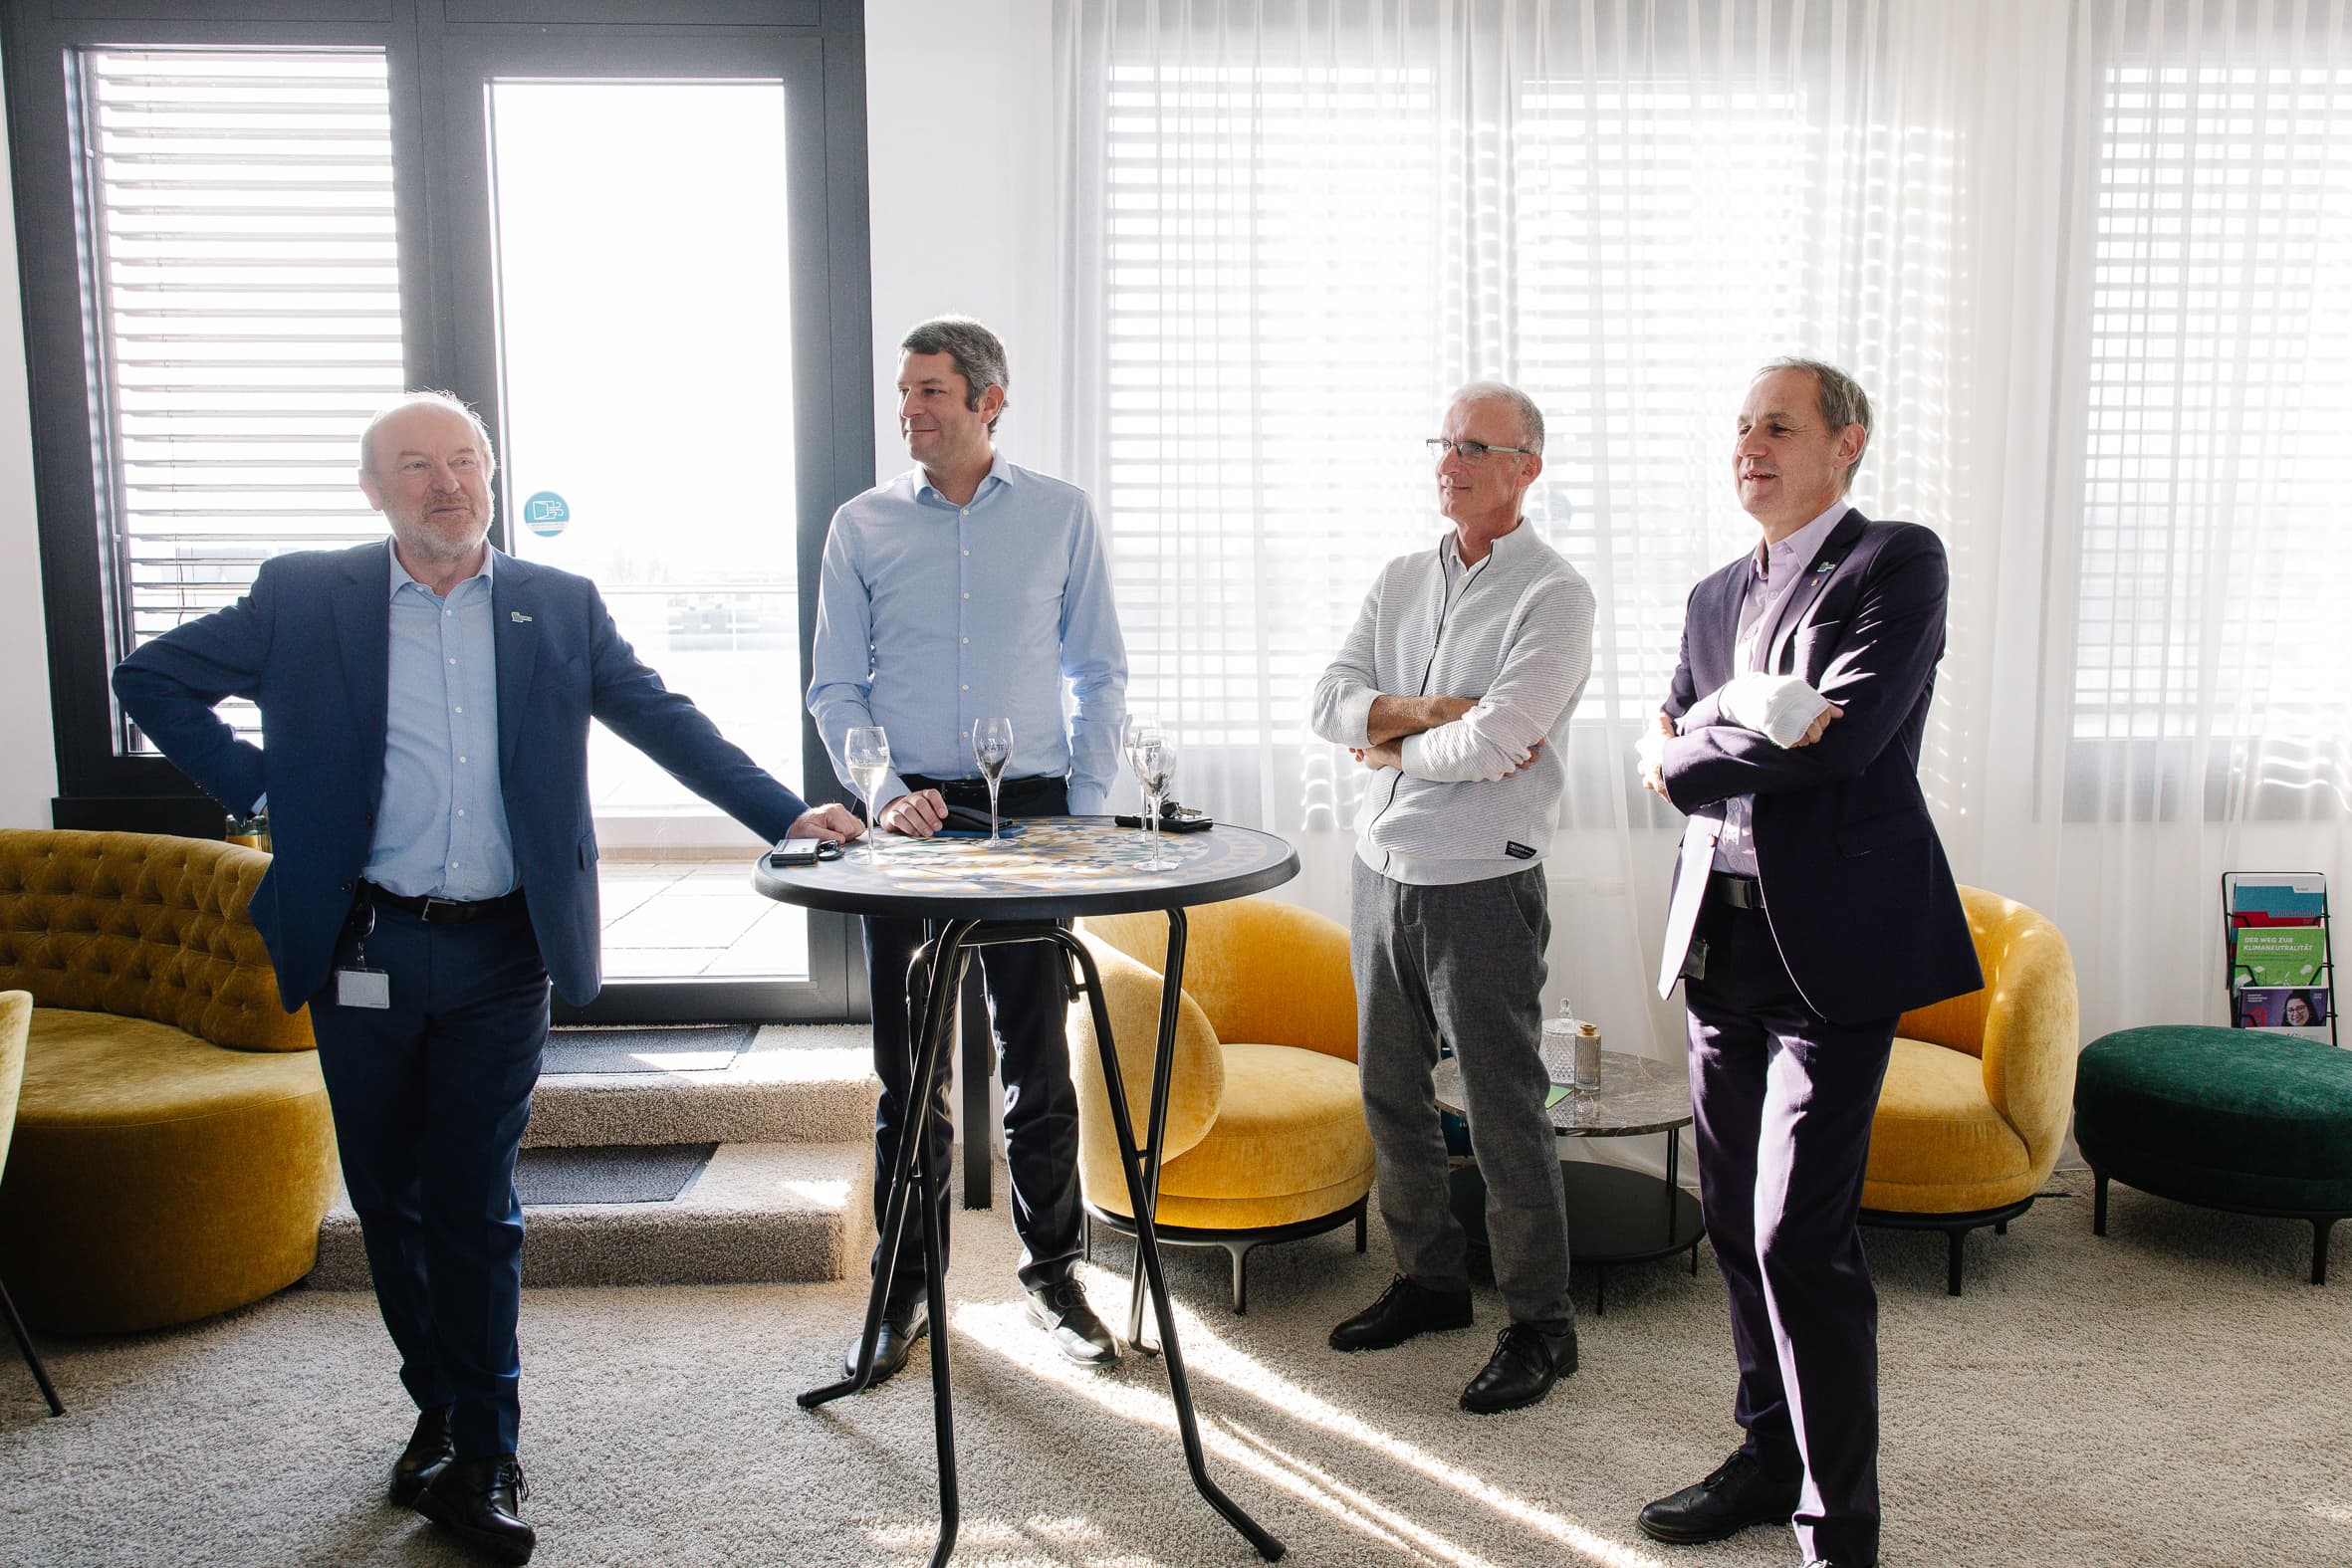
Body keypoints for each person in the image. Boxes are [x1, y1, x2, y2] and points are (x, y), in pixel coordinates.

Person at [113, 391, 860, 1567]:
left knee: (473, 1198)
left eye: (465, 460)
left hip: (502, 950)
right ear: (375, 489)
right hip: (360, 941)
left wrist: (786, 811)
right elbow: (149, 678)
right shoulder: (306, 596)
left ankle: (485, 1447)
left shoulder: (555, 604)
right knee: (388, 1197)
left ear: (492, 477)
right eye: (416, 465)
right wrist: (260, 786)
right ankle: (443, 1407)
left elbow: (666, 721)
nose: (447, 483)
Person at [1635, 358, 1982, 1568]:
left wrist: (1691, 744)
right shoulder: (1710, 593)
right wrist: (1743, 714)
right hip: (1718, 936)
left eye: (1777, 426)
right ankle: (1764, 1456)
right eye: (1741, 426)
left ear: (1846, 444)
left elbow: (1844, 739)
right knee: (1733, 1222)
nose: (1750, 444)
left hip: (1832, 947)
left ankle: (1839, 1529)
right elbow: (1674, 732)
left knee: (1797, 1236)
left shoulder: (1896, 560)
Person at [808, 316, 1128, 1384]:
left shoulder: (1060, 515)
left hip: (1032, 813)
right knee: (909, 1074)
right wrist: (882, 792)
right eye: (905, 390)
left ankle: (1055, 1277)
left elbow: (1098, 672)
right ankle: (904, 1290)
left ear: (990, 401)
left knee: (1037, 1061)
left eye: (931, 391)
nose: (909, 408)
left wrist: (1083, 814)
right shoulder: (859, 525)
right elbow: (834, 687)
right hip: (905, 817)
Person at [1308, 380, 1596, 1414]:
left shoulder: (1554, 595)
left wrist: (1388, 741)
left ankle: (1542, 1326)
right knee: (1391, 1093)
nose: (1450, 461)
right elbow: (1328, 700)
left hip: (1482, 880)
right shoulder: (1399, 578)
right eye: (1444, 442)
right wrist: (1432, 713)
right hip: (1377, 868)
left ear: (1528, 467)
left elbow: (1499, 739)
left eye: (1476, 446)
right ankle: (1430, 1281)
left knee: (1502, 1107)